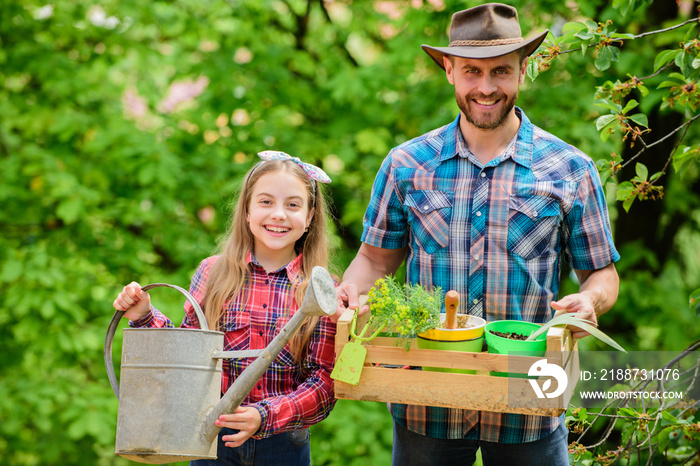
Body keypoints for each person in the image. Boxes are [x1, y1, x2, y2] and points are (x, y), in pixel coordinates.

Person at [335, 3, 620, 466]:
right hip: (426, 399)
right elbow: (373, 260)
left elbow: (602, 275)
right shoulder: (407, 165)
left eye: (501, 72)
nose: (486, 88)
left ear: (523, 70)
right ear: (449, 70)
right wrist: (349, 293)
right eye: (471, 71)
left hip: (529, 401)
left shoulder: (570, 169)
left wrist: (590, 302)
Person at [113, 151, 336, 466]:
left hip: (282, 445)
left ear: (310, 217)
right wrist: (143, 316)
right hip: (210, 440)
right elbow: (186, 358)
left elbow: (324, 383)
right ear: (246, 210)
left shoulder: (322, 290)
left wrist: (265, 415)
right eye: (266, 202)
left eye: (293, 205)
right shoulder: (214, 272)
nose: (279, 214)